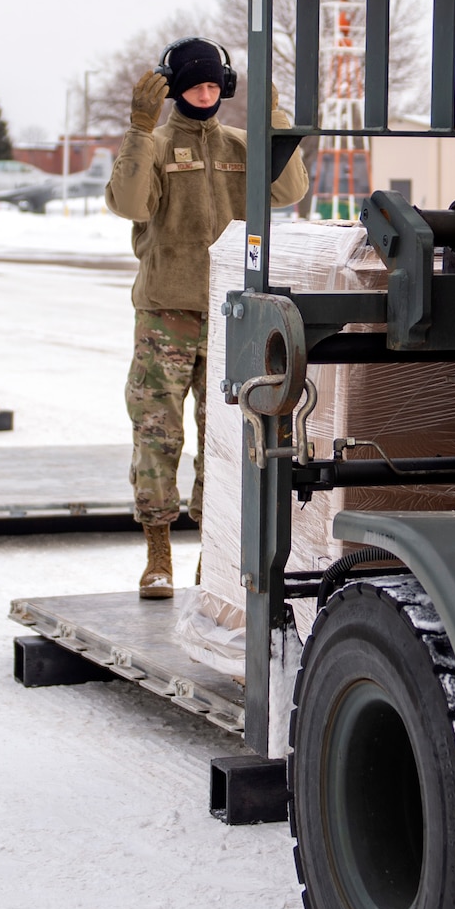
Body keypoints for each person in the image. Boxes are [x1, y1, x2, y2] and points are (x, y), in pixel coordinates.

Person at [105, 39, 307, 597]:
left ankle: (210, 554)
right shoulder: (156, 146)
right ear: (173, 90)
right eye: (195, 85)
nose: (206, 94)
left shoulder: (243, 147)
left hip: (229, 315)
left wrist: (276, 125)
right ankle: (158, 551)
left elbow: (290, 190)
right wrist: (140, 132)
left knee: (223, 438)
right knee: (157, 433)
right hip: (166, 314)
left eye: (215, 85)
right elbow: (128, 203)